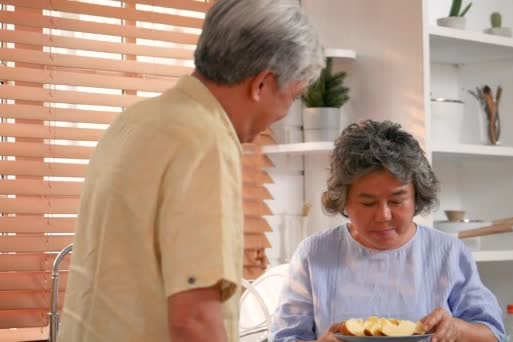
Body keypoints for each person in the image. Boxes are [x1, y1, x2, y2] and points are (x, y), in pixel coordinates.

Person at [58, 1, 323, 341]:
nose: (284, 114)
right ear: (262, 84)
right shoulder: (206, 140)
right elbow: (195, 319)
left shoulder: (137, 119)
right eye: (293, 96)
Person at [270, 120, 505, 342]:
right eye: (368, 203)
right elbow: (282, 338)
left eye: (396, 201)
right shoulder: (315, 253)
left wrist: (457, 328)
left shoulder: (448, 252)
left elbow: (493, 334)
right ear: (343, 201)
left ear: (416, 197)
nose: (383, 216)